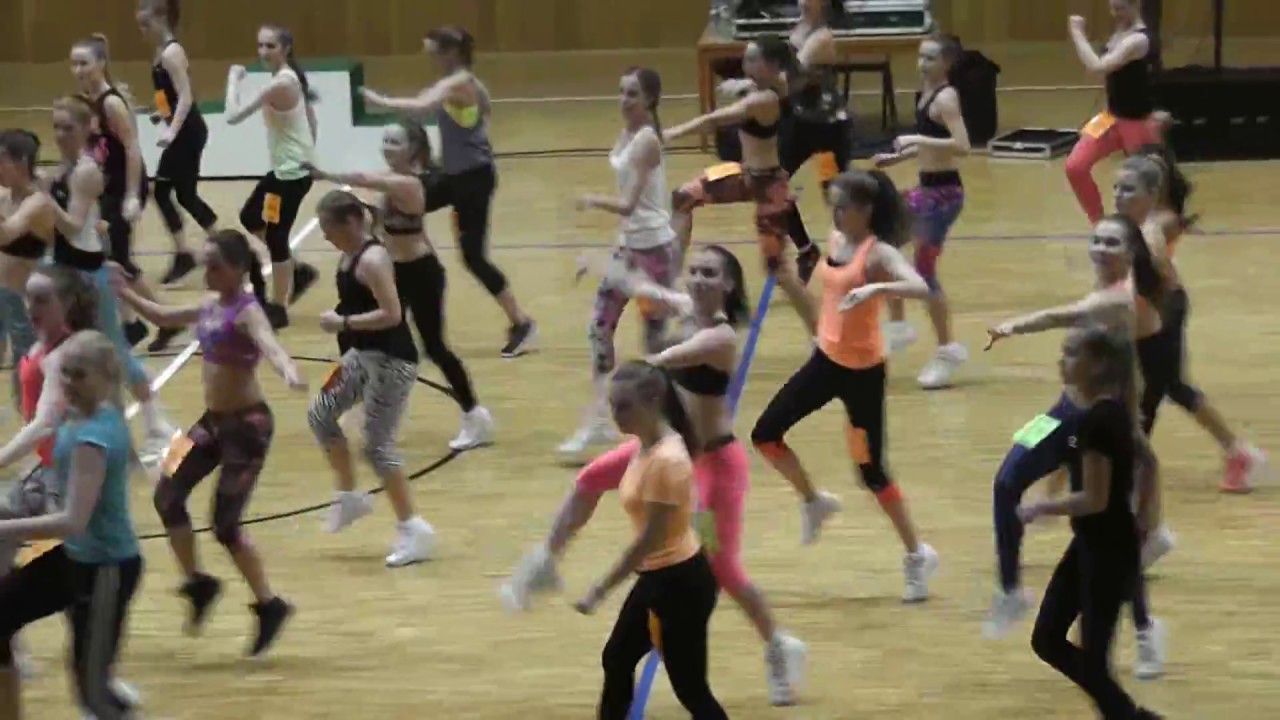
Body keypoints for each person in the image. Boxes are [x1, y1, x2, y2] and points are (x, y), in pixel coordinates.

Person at [508, 245, 807, 706]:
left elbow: (664, 360)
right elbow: (641, 287)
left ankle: (779, 647)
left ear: (729, 284)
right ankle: (545, 562)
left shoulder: (721, 337)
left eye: (711, 273)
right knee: (589, 479)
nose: (699, 279)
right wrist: (604, 267)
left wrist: (635, 371)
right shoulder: (688, 309)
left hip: (712, 473)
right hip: (670, 450)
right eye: (695, 271)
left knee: (721, 566)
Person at [983, 214, 1167, 680]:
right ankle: (1010, 590)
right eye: (1096, 239)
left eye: (1112, 242)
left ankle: (1145, 631)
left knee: (1104, 532)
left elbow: (1059, 317)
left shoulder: (1116, 301)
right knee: (1006, 482)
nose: (1101, 248)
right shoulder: (1107, 291)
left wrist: (1013, 326)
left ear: (1130, 253)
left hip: (1093, 427)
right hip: (1062, 416)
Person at [750, 170, 939, 601]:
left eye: (843, 207)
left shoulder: (878, 252)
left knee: (871, 472)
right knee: (765, 434)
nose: (835, 214)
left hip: (862, 377)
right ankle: (813, 501)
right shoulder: (836, 241)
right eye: (832, 205)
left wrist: (876, 288)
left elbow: (919, 286)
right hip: (824, 362)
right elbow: (826, 283)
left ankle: (917, 554)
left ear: (866, 210)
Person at [114, 229, 303, 656]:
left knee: (225, 525)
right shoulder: (209, 304)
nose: (208, 273)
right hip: (211, 422)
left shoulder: (247, 311)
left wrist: (287, 369)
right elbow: (163, 317)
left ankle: (270, 605)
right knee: (166, 494)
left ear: (238, 269)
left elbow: (270, 344)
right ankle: (199, 583)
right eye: (206, 265)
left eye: (215, 266)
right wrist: (124, 291)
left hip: (248, 427)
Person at [307, 120, 494, 452]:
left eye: (396, 142)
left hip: (420, 274)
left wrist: (325, 173)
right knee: (355, 331)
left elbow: (365, 179)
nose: (387, 147)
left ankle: (474, 415)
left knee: (434, 347)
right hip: (396, 270)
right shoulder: (391, 182)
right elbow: (377, 217)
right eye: (386, 140)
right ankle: (361, 397)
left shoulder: (406, 184)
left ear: (414, 150)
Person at [360, 26, 537, 358]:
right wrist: (445, 160)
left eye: (434, 54)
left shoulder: (457, 83)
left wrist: (379, 101)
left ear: (451, 52)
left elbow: (421, 106)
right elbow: (477, 123)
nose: (432, 60)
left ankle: (521, 322)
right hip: (455, 175)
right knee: (399, 205)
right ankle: (404, 296)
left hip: (473, 180)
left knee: (473, 257)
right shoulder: (472, 85)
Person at [565, 360, 728, 719]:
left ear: (653, 401)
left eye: (624, 406)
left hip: (679, 584)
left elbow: (648, 542)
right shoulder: (647, 446)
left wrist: (600, 589)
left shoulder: (667, 460)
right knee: (617, 658)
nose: (616, 415)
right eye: (612, 406)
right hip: (661, 577)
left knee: (691, 690)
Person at [1019, 326, 1163, 720]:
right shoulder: (1107, 412)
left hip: (1107, 551)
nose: (1061, 361)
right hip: (1092, 544)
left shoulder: (1099, 421)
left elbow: (1093, 500)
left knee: (1092, 661)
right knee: (1047, 638)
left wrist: (1040, 507)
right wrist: (1147, 515)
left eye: (1071, 354)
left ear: (1096, 365)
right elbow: (1150, 462)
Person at [0, 331, 143, 720]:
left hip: (106, 569)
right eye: (65, 373)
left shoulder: (94, 438)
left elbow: (73, 521)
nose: (69, 383)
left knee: (93, 697)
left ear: (106, 376)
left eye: (80, 375)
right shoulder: (80, 415)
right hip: (75, 559)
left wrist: (5, 528)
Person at [1117, 153, 1267, 495]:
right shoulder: (1139, 220)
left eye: (1127, 187)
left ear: (1152, 191)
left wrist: (1140, 268)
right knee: (1170, 387)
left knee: (1154, 391)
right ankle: (1236, 452)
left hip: (1164, 312)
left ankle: (1132, 469)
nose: (1118, 194)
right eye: (1117, 187)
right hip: (1152, 310)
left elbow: (1154, 261)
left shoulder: (1156, 224)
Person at [42, 95, 177, 465]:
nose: (60, 134)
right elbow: (87, 226)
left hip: (89, 277)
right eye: (56, 127)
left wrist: (42, 200)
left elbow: (72, 227)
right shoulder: (64, 168)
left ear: (86, 129)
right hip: (72, 273)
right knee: (91, 356)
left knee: (114, 353)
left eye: (68, 127)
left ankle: (157, 423)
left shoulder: (86, 170)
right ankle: (125, 436)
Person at [306, 190, 435, 567]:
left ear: (350, 222)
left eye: (328, 229)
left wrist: (343, 322)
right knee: (320, 413)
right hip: (362, 356)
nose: (325, 237)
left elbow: (392, 315)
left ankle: (414, 529)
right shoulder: (349, 255)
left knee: (377, 446)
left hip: (392, 361)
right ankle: (349, 498)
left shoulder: (373, 260)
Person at [559, 67, 680, 458]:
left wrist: (592, 200)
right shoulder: (628, 133)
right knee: (599, 329)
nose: (624, 100)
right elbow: (630, 212)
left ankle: (672, 422)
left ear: (649, 99)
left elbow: (629, 204)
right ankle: (598, 421)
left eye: (632, 94)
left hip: (655, 253)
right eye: (622, 92)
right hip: (628, 248)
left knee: (655, 344)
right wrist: (613, 248)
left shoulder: (647, 141)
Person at [664, 36, 818, 339]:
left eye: (752, 60)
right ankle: (671, 280)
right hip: (745, 176)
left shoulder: (763, 101)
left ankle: (819, 332)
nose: (745, 64)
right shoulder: (778, 83)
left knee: (778, 269)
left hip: (769, 186)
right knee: (682, 198)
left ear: (771, 66)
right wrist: (742, 83)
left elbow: (715, 119)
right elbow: (758, 85)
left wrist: (675, 132)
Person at [874, 34, 973, 390]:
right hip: (927, 190)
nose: (922, 63)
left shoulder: (946, 97)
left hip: (944, 196)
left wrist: (916, 140)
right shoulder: (927, 93)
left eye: (930, 58)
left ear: (947, 63)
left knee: (924, 272)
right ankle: (899, 326)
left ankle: (947, 351)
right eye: (921, 56)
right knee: (882, 244)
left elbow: (962, 146)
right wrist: (898, 156)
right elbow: (932, 147)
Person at [224, 24, 321, 330]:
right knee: (251, 216)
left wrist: (233, 79)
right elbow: (311, 118)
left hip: (291, 175)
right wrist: (307, 150)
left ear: (286, 49)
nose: (263, 52)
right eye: (260, 45)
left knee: (277, 237)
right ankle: (296, 271)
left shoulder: (281, 83)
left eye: (270, 46)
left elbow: (232, 115)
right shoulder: (290, 77)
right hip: (285, 170)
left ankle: (278, 308)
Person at [69, 34, 162, 348]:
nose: (78, 70)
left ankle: (160, 319)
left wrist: (133, 195)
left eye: (84, 63)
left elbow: (132, 148)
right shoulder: (86, 100)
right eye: (74, 64)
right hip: (106, 187)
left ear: (100, 63)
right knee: (110, 257)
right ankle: (131, 323)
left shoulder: (111, 103)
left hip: (125, 186)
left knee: (117, 259)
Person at [137, 0, 219, 293]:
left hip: (188, 133)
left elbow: (186, 96)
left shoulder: (172, 52)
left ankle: (190, 253)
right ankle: (221, 245)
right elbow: (168, 95)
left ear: (162, 18)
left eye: (146, 24)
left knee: (163, 191)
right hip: (183, 131)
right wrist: (158, 111)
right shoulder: (160, 52)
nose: (142, 30)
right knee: (184, 195)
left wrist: (171, 130)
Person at [1064, 1, 1161, 224]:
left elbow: (1099, 67)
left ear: (1136, 4)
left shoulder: (1139, 40)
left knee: (1143, 182)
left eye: (1120, 8)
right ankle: (1100, 224)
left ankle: (1144, 230)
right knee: (1075, 167)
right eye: (1112, 8)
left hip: (1137, 123)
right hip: (1111, 118)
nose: (1115, 13)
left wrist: (1077, 34)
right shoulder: (1120, 31)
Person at [778, 0, 852, 284]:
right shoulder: (797, 26)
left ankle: (849, 255)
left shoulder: (823, 36)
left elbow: (791, 79)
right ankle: (806, 250)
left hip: (827, 131)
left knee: (833, 194)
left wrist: (752, 85)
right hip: (799, 125)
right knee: (774, 187)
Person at [0, 130, 54, 407]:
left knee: (28, 370)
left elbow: (6, 234)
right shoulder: (5, 195)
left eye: (1, 160)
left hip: (28, 304)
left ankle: (35, 420)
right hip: (4, 296)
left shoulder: (37, 202)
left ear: (21, 161)